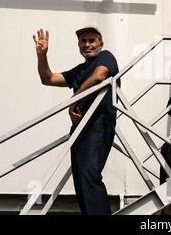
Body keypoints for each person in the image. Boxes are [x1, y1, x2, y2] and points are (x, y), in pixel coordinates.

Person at [33, 25, 119, 214]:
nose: (87, 44)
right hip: (80, 129)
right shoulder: (80, 70)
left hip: (99, 123)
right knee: (81, 179)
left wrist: (74, 99)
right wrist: (42, 55)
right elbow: (48, 79)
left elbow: (99, 76)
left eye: (92, 40)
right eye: (83, 40)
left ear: (100, 44)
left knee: (89, 173)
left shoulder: (106, 57)